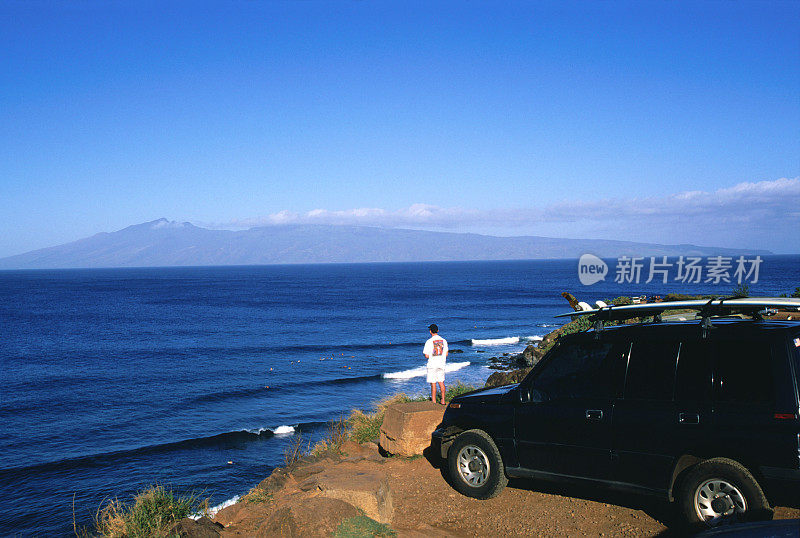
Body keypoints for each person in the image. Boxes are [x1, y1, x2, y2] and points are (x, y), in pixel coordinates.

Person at [423, 323, 448, 404]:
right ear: (437, 330)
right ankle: (443, 400)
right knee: (441, 382)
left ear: (430, 331)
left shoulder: (429, 341)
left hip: (432, 365)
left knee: (433, 384)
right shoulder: (444, 340)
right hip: (441, 364)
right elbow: (446, 354)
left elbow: (426, 355)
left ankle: (434, 402)